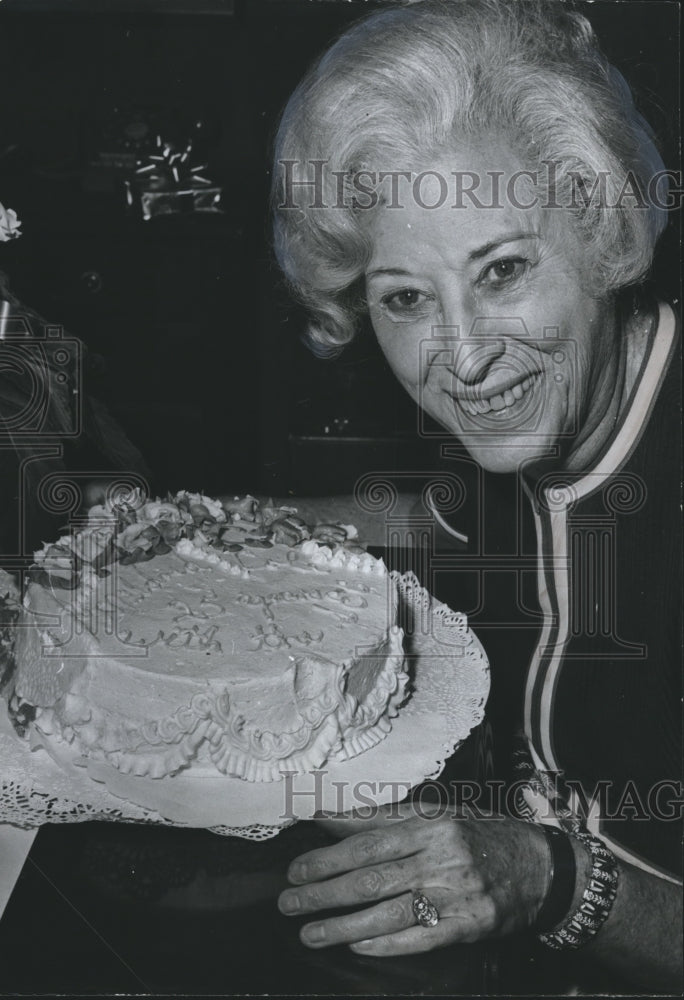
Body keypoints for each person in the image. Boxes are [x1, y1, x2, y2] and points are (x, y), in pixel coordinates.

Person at [269, 0, 682, 992]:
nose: (462, 358)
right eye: (406, 298)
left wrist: (548, 880)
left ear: (602, 225)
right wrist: (173, 536)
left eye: (502, 270)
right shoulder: (529, 434)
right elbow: (425, 522)